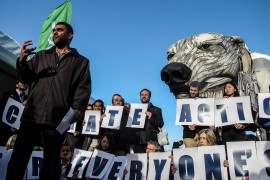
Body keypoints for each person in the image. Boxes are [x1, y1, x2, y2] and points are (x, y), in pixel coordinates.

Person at [6, 22, 91, 180]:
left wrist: (78, 108)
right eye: (54, 31)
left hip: (57, 119)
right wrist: (22, 61)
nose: (56, 33)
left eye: (60, 30)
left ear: (70, 35)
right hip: (32, 115)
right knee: (18, 159)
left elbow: (83, 89)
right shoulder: (41, 55)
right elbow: (25, 77)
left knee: (51, 164)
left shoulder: (81, 62)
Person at [132, 89, 164, 153]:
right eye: (142, 95)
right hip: (138, 142)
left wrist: (151, 118)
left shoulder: (157, 109)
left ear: (149, 97)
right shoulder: (135, 110)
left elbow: (161, 124)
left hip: (151, 142)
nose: (144, 96)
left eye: (146, 95)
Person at [0, 81, 28, 146]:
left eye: (26, 82)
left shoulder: (28, 99)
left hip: (19, 133)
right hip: (5, 130)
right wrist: (8, 127)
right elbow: (2, 111)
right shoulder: (8, 94)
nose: (24, 83)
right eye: (22, 81)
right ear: (16, 84)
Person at [183, 81, 207, 147]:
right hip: (189, 134)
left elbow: (209, 117)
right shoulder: (184, 102)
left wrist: (200, 101)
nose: (193, 92)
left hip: (202, 133)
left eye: (195, 90)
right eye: (191, 90)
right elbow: (181, 119)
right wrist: (188, 125)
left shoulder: (205, 101)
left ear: (199, 91)